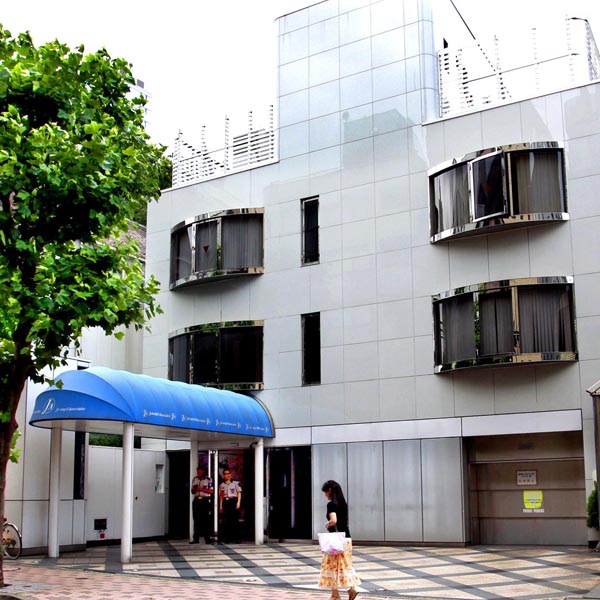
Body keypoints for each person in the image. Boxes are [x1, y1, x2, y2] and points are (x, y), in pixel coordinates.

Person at [319, 480, 360, 600]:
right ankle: (350, 589)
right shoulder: (343, 504)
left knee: (331, 566)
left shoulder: (331, 505)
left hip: (335, 541)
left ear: (330, 490)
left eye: (325, 492)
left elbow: (334, 521)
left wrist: (327, 524)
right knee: (344, 565)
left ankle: (336, 595)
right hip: (346, 539)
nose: (325, 495)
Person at [190, 466, 214, 544]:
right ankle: (195, 539)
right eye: (198, 471)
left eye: (200, 471)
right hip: (197, 500)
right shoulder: (195, 479)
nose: (198, 473)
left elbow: (211, 491)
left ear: (203, 471)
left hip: (205, 501)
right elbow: (192, 492)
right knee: (196, 520)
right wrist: (194, 489)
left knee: (206, 520)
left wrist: (201, 489)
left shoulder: (208, 479)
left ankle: (207, 539)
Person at [219, 468, 242, 543]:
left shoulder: (235, 483)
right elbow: (221, 496)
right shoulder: (222, 484)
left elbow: (239, 493)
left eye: (229, 473)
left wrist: (238, 502)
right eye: (226, 474)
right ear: (224, 475)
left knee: (234, 520)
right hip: (226, 502)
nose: (228, 475)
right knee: (226, 521)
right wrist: (220, 506)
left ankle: (236, 538)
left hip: (233, 501)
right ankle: (227, 539)